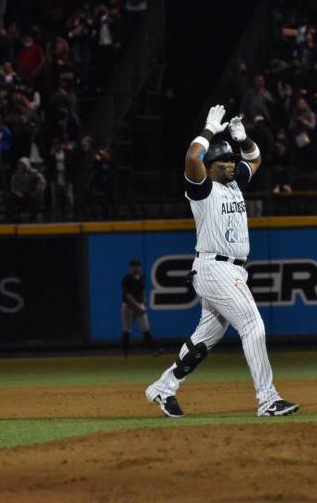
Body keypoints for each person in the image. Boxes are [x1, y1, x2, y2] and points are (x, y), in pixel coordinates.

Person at [145, 105, 298, 418]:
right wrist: (209, 128)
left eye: (231, 159)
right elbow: (191, 157)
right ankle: (268, 399)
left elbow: (254, 159)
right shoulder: (203, 189)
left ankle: (163, 387)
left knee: (204, 340)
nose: (231, 164)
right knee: (253, 325)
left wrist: (243, 141)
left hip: (228, 268)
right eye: (223, 161)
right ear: (210, 166)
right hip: (216, 268)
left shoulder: (233, 181)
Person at [120, 259, 160, 357]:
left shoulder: (142, 278)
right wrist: (139, 307)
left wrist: (143, 304)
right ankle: (126, 353)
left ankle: (154, 350)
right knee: (127, 329)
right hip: (128, 306)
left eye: (137, 266)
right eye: (134, 266)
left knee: (145, 328)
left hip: (139, 306)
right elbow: (128, 296)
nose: (136, 268)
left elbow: (142, 292)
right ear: (131, 267)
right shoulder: (127, 279)